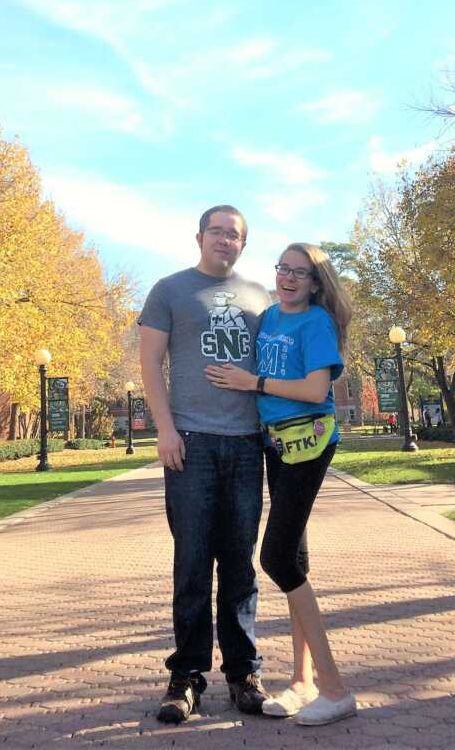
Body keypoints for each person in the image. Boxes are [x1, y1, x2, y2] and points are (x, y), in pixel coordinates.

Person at [205, 242, 357, 727]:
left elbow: (315, 390)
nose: (288, 278)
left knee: (274, 558)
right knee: (295, 559)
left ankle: (335, 688)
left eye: (300, 272)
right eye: (283, 269)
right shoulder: (270, 316)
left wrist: (254, 384)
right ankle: (302, 682)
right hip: (275, 442)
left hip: (308, 440)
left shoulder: (316, 322)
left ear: (316, 282)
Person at [139, 205, 271, 724]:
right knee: (192, 562)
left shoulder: (262, 296)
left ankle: (244, 673)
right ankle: (187, 677)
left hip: (245, 443)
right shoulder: (169, 290)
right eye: (216, 231)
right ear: (199, 237)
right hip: (190, 442)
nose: (224, 239)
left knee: (240, 563)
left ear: (243, 243)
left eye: (234, 234)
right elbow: (150, 363)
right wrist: (165, 430)